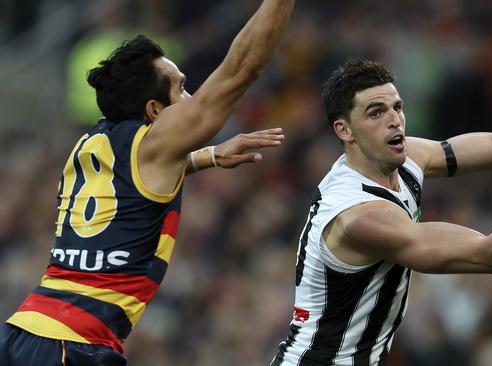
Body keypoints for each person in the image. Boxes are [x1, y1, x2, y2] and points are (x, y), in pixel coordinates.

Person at [272, 59, 492, 365]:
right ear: (344, 130)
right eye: (376, 113)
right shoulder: (359, 217)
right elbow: (491, 255)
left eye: (397, 107)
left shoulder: (404, 157)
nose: (395, 120)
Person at [0, 0, 295, 365]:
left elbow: (135, 186)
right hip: (74, 344)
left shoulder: (91, 144)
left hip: (23, 330)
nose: (190, 100)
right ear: (155, 111)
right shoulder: (152, 144)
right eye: (181, 88)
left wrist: (211, 156)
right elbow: (241, 71)